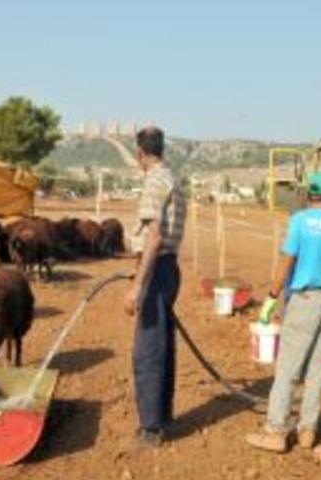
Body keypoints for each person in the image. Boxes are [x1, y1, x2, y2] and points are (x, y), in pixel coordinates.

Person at [246, 172, 321, 453]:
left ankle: (275, 431)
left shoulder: (300, 221)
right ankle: (307, 431)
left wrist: (271, 298)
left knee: (288, 368)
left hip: (304, 300)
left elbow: (288, 260)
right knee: (316, 370)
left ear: (308, 193)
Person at [124, 126, 187, 447]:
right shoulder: (171, 177)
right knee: (162, 345)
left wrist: (138, 283)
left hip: (157, 268)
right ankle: (163, 415)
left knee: (147, 349)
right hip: (169, 268)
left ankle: (150, 429)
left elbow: (154, 236)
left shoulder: (153, 181)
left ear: (140, 153)